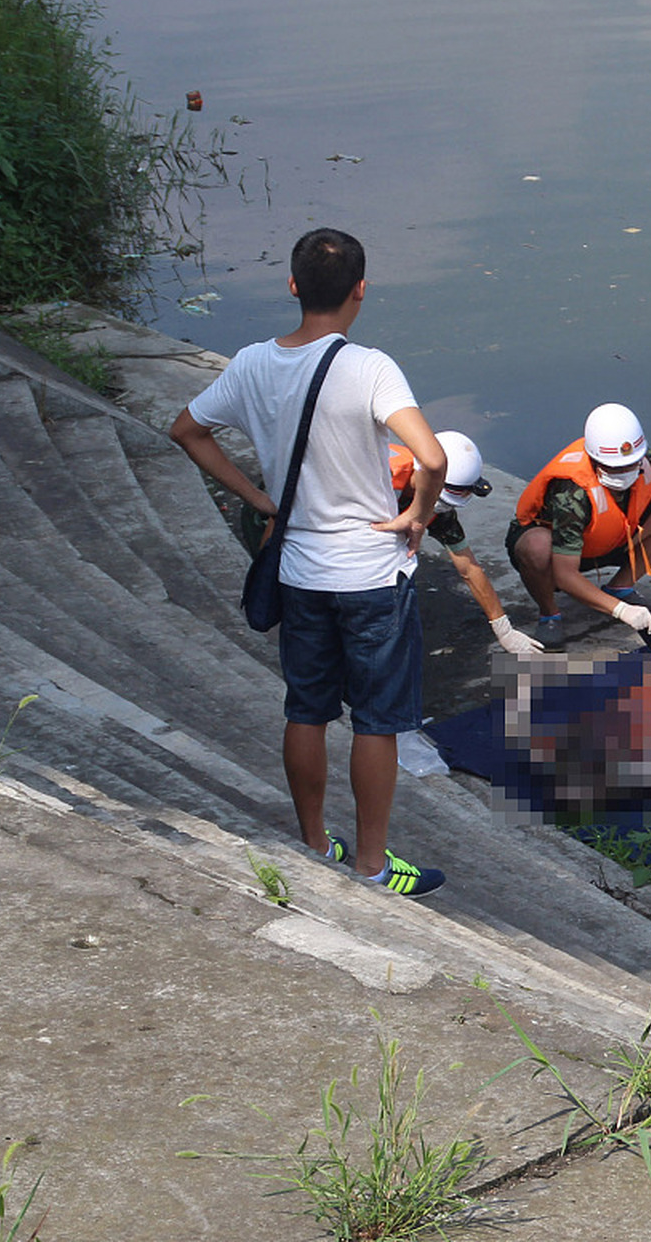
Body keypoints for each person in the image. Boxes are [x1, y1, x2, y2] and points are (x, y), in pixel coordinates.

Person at [169, 227, 446, 897]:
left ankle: (316, 842)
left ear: (292, 287)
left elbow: (186, 428)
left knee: (307, 710)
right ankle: (372, 865)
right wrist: (416, 513)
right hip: (373, 577)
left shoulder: (252, 364)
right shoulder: (370, 368)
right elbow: (431, 458)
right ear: (360, 290)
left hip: (299, 570)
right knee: (377, 720)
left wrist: (261, 499)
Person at [506, 403, 651, 652]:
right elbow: (565, 574)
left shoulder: (649, 463)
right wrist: (621, 612)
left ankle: (621, 587)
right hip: (562, 553)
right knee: (535, 546)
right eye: (615, 468)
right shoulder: (571, 491)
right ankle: (549, 614)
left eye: (631, 465)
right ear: (595, 460)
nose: (625, 473)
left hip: (616, 537)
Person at [387, 430, 544, 656]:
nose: (435, 506)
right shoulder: (379, 483)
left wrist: (503, 628)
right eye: (438, 499)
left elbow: (467, 566)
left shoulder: (438, 509)